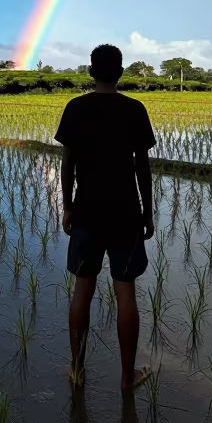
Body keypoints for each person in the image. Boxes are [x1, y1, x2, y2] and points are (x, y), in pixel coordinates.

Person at [55, 44, 156, 392]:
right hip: (126, 212)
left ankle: (78, 371)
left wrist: (67, 205)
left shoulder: (76, 108)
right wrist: (148, 212)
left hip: (87, 211)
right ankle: (128, 379)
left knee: (83, 290)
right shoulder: (134, 109)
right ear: (121, 72)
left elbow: (67, 164)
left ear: (90, 70)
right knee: (125, 293)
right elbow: (142, 166)